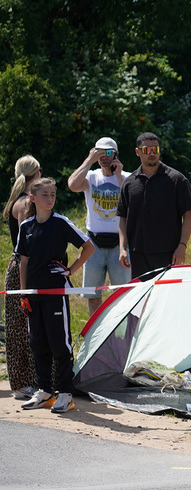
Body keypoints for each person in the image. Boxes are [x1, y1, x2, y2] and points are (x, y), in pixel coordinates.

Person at [16, 178, 95, 413]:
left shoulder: (60, 223)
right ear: (33, 198)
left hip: (55, 293)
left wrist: (71, 270)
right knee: (38, 343)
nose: (50, 199)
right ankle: (45, 392)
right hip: (33, 293)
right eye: (45, 195)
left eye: (53, 195)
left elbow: (88, 247)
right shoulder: (26, 226)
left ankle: (66, 393)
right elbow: (23, 262)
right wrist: (23, 293)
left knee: (59, 344)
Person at [116, 132, 191, 280]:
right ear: (137, 152)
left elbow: (189, 215)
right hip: (138, 255)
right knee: (145, 301)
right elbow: (122, 219)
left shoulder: (177, 180)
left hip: (170, 254)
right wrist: (122, 249)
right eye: (147, 150)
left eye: (156, 149)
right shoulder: (129, 183)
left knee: (169, 300)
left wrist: (182, 246)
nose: (152, 153)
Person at [67, 136, 130, 315]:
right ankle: (96, 337)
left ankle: (121, 339)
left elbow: (132, 199)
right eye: (100, 153)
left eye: (108, 153)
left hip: (120, 245)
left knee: (122, 295)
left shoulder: (126, 177)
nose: (104, 157)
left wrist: (118, 175)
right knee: (93, 295)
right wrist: (89, 160)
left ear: (116, 154)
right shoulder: (91, 177)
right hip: (95, 244)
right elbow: (72, 185)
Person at [2, 155, 41, 399]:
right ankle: (25, 382)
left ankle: (24, 381)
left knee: (20, 327)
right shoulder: (26, 203)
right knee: (24, 327)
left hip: (18, 267)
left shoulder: (17, 200)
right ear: (36, 174)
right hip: (25, 269)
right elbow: (30, 241)